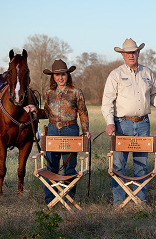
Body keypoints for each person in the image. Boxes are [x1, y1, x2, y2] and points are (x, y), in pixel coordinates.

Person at [101, 38, 156, 206]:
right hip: (122, 124)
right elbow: (107, 102)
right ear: (123, 55)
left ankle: (139, 200)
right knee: (118, 164)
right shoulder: (115, 74)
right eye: (128, 53)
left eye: (134, 52)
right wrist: (110, 123)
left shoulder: (148, 73)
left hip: (143, 123)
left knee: (141, 164)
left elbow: (154, 94)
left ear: (138, 53)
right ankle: (119, 202)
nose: (131, 55)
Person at [24, 59, 91, 204]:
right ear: (53, 77)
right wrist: (35, 110)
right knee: (51, 166)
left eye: (63, 74)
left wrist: (86, 130)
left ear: (68, 75)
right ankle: (51, 199)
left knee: (70, 167)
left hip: (71, 130)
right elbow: (47, 113)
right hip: (53, 130)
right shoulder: (49, 93)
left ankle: (68, 198)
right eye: (57, 75)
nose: (60, 78)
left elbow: (83, 112)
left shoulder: (76, 92)